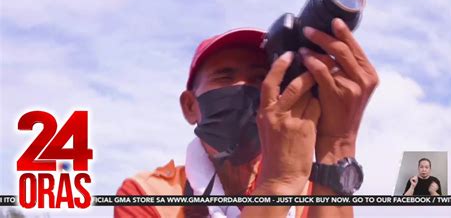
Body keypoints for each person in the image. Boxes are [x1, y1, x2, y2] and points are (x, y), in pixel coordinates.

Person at [114, 18, 379, 217]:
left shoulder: (310, 192)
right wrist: (278, 184)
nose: (244, 88)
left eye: (260, 78)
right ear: (190, 106)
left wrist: (337, 144)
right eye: (224, 77)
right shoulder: (146, 195)